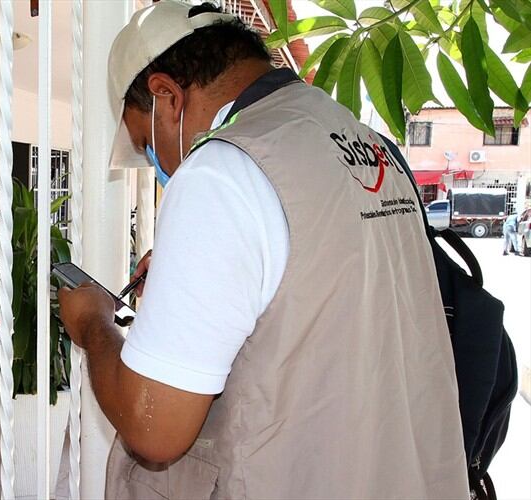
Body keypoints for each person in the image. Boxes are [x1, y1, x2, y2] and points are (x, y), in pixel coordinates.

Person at [57, 2, 468, 498]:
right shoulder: (368, 144)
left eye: (147, 143)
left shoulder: (220, 170)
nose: (157, 162)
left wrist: (94, 325)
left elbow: (154, 430)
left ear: (166, 95)